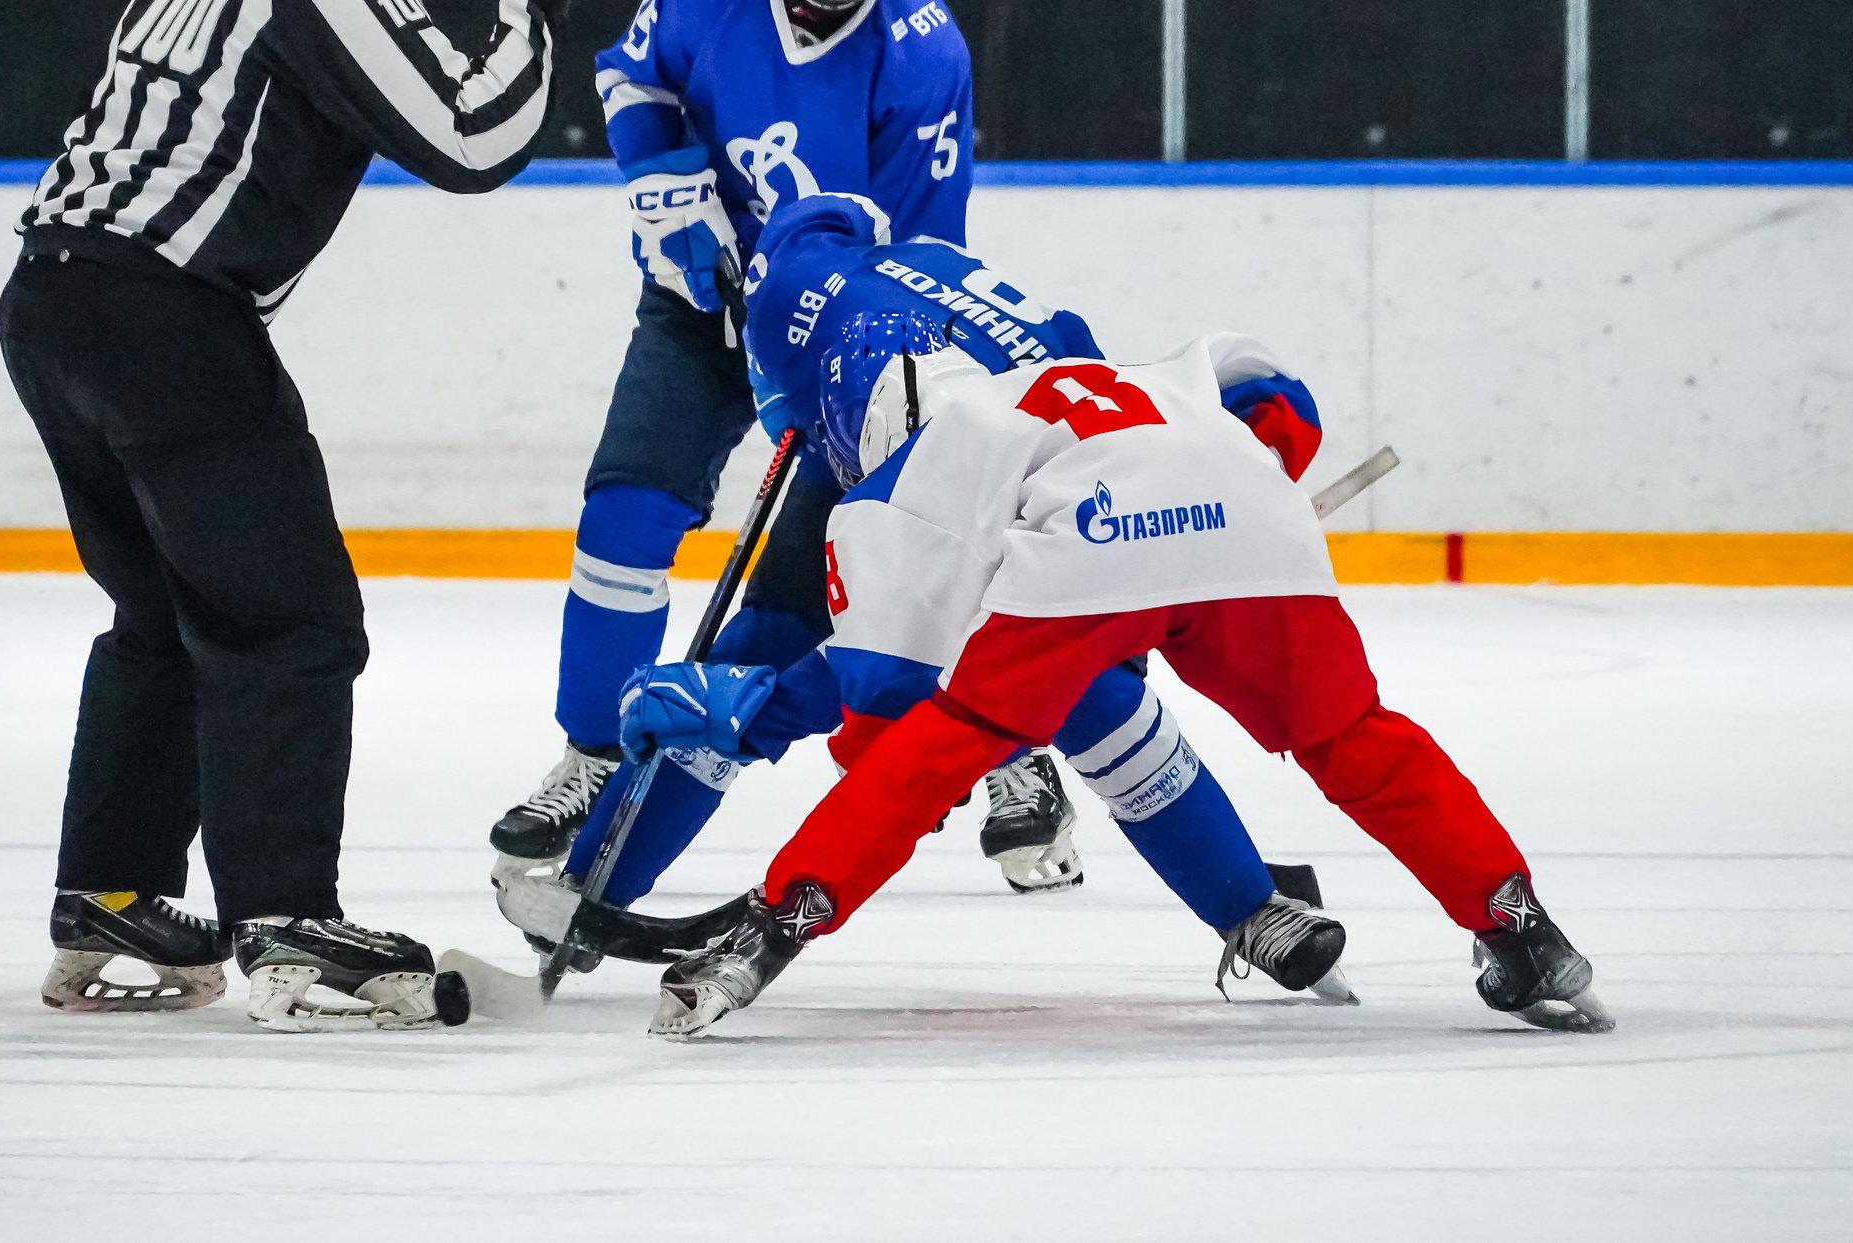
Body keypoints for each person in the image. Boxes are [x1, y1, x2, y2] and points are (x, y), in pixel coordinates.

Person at [630, 276, 1615, 1040]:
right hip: (1249, 516)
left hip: (1092, 549)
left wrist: (746, 712)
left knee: (950, 738)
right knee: (1353, 736)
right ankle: (1518, 926)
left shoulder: (897, 482)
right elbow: (1276, 394)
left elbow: (883, 706)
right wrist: (1257, 472)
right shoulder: (1135, 375)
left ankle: (767, 934)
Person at [0, 0, 591, 1031]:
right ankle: (287, 923)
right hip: (167, 322)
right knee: (294, 624)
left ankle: (111, 890)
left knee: (162, 614)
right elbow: (473, 140)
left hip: (53, 305)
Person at [494, 195, 1354, 1009]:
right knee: (1060, 682)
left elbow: (893, 648)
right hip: (913, 461)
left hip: (979, 470)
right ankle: (1249, 905)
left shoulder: (788, 297)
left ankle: (592, 886)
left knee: (1068, 684)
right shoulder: (901, 271)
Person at [488, 0, 1080, 898]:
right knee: (625, 515)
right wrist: (662, 186)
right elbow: (634, 78)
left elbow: (920, 254)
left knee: (907, 547)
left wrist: (820, 367)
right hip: (697, 302)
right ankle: (591, 754)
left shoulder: (923, 48)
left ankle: (1018, 747)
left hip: (844, 340)